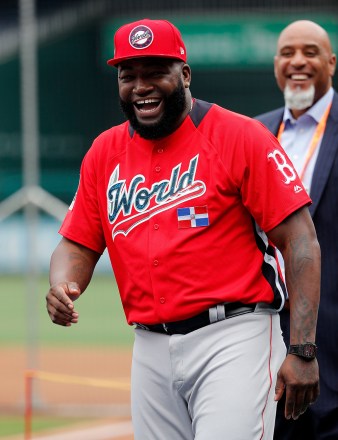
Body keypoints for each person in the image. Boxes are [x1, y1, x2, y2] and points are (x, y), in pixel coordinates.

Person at [46, 18, 321, 440]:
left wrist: (302, 348)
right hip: (149, 346)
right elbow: (77, 244)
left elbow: (301, 241)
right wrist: (63, 284)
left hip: (234, 336)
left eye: (155, 71)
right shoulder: (105, 152)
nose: (141, 86)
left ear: (185, 74)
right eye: (129, 75)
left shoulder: (240, 135)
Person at [255, 20, 337, 440]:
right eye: (287, 53)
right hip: (262, 331)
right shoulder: (252, 133)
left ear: (332, 62)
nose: (298, 61)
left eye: (310, 52)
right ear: (275, 65)